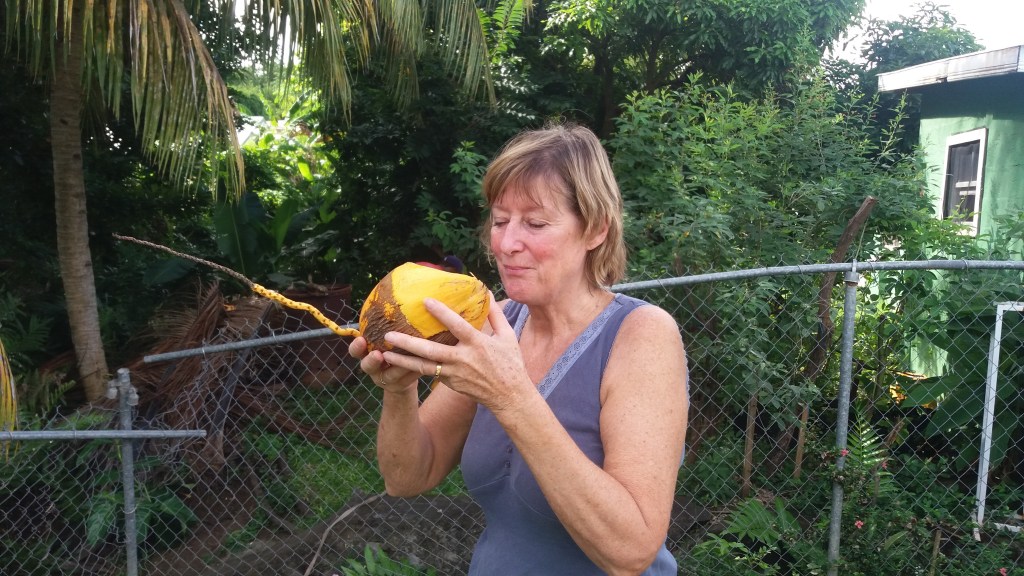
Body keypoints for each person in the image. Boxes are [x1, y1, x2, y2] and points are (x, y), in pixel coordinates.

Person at [348, 123, 689, 575]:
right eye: (500, 220)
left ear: (595, 230)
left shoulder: (642, 335)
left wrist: (511, 397)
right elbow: (407, 476)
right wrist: (399, 389)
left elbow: (630, 552)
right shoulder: (494, 323)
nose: (507, 244)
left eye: (535, 223)